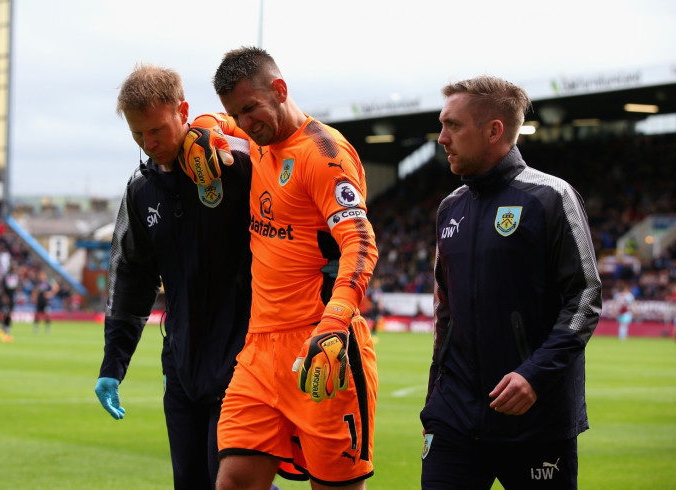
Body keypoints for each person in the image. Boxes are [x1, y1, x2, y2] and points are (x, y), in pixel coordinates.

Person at [185, 46, 379, 490]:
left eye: (251, 108)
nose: (247, 123)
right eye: (240, 113)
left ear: (280, 89)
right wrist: (205, 129)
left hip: (321, 345)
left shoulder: (323, 153)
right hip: (259, 351)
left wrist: (335, 322)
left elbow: (362, 242)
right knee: (232, 481)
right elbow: (216, 120)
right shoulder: (258, 137)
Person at [420, 75, 602, 489]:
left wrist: (535, 375)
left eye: (453, 125)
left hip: (535, 421)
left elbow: (586, 297)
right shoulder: (450, 208)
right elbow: (444, 313)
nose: (442, 138)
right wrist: (435, 403)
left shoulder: (552, 197)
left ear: (494, 130)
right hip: (455, 419)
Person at [93, 63, 253, 490]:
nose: (149, 144)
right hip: (181, 364)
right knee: (190, 482)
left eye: (157, 130)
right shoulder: (140, 190)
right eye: (137, 135)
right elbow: (131, 277)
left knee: (230, 482)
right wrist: (114, 363)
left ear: (183, 110)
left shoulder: (236, 166)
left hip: (242, 359)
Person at [32, 269, 59, 334]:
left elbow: (56, 287)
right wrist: (34, 297)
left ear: (45, 275)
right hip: (39, 300)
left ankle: (47, 328)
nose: (40, 276)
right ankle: (36, 328)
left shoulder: (49, 281)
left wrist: (50, 293)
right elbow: (35, 291)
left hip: (46, 301)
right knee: (37, 314)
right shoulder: (38, 282)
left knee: (47, 314)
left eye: (42, 275)